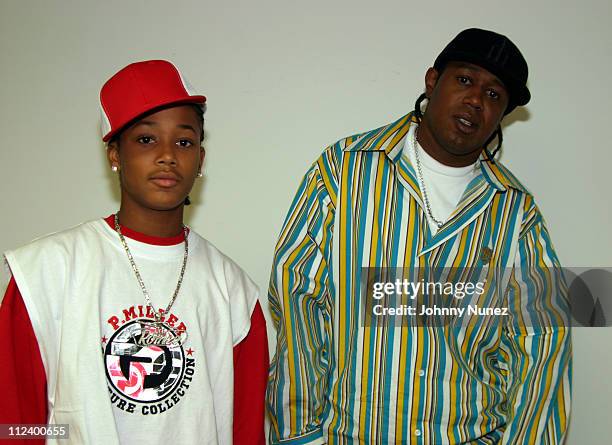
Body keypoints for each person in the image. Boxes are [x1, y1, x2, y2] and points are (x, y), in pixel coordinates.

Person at [267, 29, 571, 444]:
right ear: (432, 80)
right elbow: (297, 297)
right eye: (465, 80)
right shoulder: (345, 171)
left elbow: (543, 340)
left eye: (494, 94)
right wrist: (300, 434)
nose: (476, 101)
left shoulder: (515, 212)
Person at [0, 60, 268, 444]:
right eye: (145, 139)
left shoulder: (234, 292)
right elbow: (14, 423)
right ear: (114, 154)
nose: (167, 155)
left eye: (184, 141)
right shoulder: (46, 272)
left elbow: (245, 431)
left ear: (201, 160)